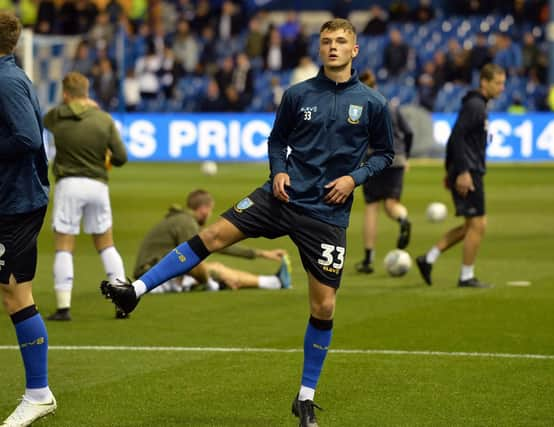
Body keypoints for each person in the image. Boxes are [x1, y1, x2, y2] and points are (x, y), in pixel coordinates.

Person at [100, 18, 394, 427]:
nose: (333, 48)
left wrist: (353, 179)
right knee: (213, 233)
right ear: (319, 48)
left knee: (324, 305)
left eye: (341, 42)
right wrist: (277, 170)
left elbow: (384, 154)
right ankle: (134, 290)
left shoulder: (373, 103)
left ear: (355, 50)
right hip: (281, 195)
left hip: (327, 212)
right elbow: (277, 140)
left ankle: (305, 397)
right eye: (326, 41)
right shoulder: (297, 94)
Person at [0, 10, 57, 426]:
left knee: (16, 295)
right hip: (8, 199)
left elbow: (26, 137)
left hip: (16, 205)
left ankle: (39, 394)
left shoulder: (5, 80)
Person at [43, 71, 128, 321]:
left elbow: (46, 121)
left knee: (64, 246)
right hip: (97, 185)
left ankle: (63, 307)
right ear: (87, 92)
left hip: (68, 185)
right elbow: (121, 157)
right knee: (106, 245)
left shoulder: (57, 116)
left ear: (66, 94)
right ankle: (122, 303)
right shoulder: (103, 119)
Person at [416, 63, 506, 288]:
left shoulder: (477, 104)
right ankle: (466, 276)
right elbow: (456, 138)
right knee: (478, 224)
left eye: (503, 83)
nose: (502, 88)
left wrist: (452, 170)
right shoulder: (475, 106)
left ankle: (428, 259)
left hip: (469, 169)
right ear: (484, 82)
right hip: (470, 171)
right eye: (498, 83)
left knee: (471, 225)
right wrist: (462, 172)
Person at [134, 190, 292, 293]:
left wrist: (262, 254)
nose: (210, 214)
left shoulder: (181, 220)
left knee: (216, 269)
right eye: (210, 209)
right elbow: (191, 260)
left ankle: (273, 281)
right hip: (155, 278)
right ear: (203, 209)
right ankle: (273, 282)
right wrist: (209, 282)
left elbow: (219, 246)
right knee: (216, 270)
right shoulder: (186, 223)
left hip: (153, 272)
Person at [355, 69, 413, 274]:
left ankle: (368, 259)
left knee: (372, 208)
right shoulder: (392, 106)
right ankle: (403, 219)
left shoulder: (359, 109)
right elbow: (409, 132)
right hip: (396, 159)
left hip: (374, 160)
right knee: (391, 203)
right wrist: (406, 157)